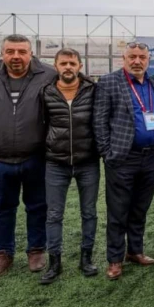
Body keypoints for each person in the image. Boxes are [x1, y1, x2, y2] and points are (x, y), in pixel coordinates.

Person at [0, 34, 56, 277]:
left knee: (38, 206)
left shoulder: (48, 74)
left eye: (21, 51)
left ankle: (36, 250)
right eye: (10, 51)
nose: (16, 56)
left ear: (31, 53)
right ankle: (2, 253)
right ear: (2, 53)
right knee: (0, 207)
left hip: (37, 158)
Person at [94, 42, 154, 280]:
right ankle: (115, 259)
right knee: (118, 211)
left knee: (140, 208)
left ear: (148, 60)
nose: (137, 61)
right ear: (124, 58)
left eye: (142, 57)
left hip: (152, 157)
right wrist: (107, 152)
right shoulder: (109, 82)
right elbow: (99, 121)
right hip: (123, 157)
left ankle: (135, 251)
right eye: (132, 56)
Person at [40, 48, 100, 284]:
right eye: (63, 63)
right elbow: (41, 123)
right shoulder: (46, 91)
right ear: (55, 66)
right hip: (56, 162)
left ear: (80, 66)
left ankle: (86, 258)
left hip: (88, 162)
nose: (68, 67)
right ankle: (54, 262)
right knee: (54, 214)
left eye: (72, 63)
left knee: (89, 212)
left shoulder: (92, 90)